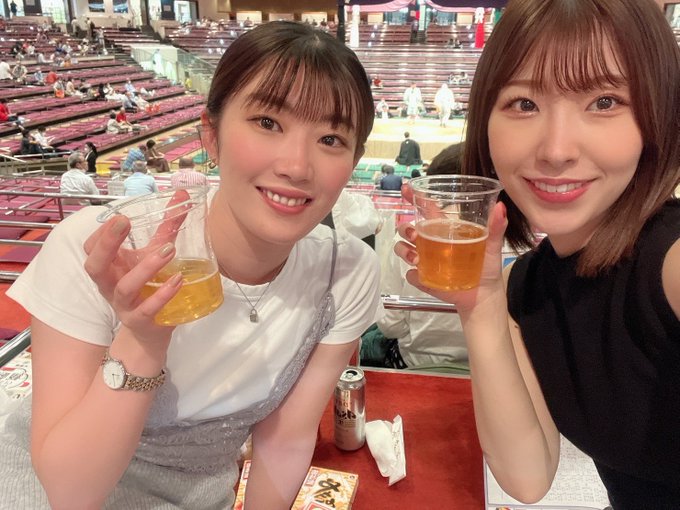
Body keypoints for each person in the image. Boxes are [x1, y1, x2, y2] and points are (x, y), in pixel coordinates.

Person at [3, 20, 379, 509]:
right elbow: (70, 492)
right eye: (268, 123)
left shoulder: (345, 272)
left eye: (330, 139)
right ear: (211, 134)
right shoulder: (99, 248)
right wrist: (142, 339)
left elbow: (285, 440)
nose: (296, 166)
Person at [394, 0, 680, 506]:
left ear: (656, 118)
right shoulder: (526, 287)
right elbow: (527, 478)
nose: (555, 150)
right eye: (524, 104)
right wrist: (481, 306)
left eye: (604, 101)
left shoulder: (671, 261)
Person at [378, 144, 467, 369]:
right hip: (489, 370)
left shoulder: (410, 241)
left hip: (413, 361)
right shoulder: (523, 251)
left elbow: (390, 326)